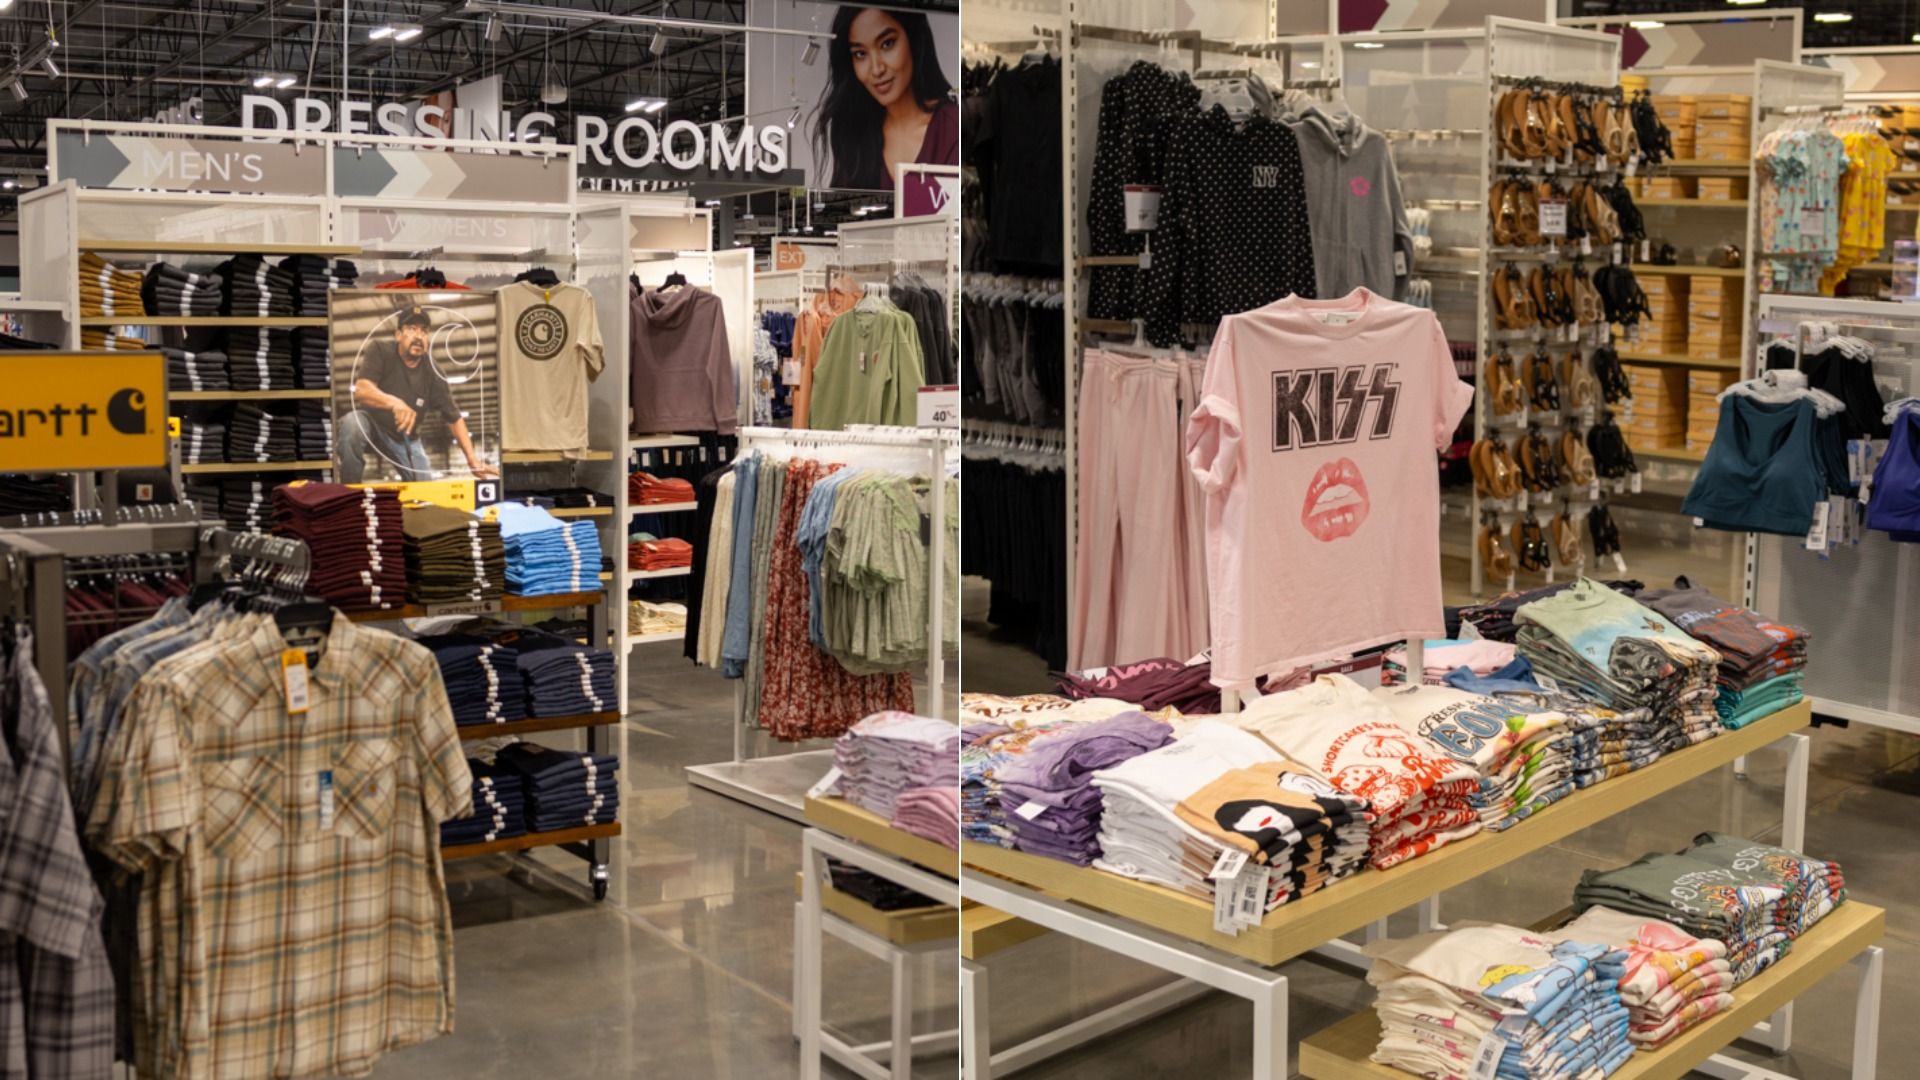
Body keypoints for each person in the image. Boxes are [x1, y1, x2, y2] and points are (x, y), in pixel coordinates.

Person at [336, 305, 498, 484]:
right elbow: (362, 389)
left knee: (425, 491)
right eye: (412, 329)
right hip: (372, 426)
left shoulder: (434, 373)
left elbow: (454, 418)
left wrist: (471, 459)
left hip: (406, 438)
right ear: (398, 335)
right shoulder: (380, 350)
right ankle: (348, 491)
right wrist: (394, 402)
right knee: (352, 423)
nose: (419, 336)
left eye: (424, 331)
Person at [812, 6, 958, 190]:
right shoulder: (858, 134)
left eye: (887, 44)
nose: (876, 69)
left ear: (914, 39)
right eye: (860, 54)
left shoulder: (951, 128)